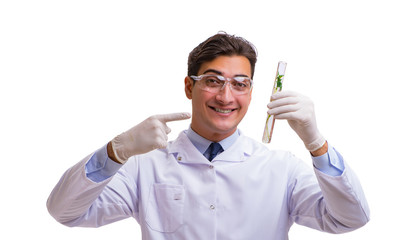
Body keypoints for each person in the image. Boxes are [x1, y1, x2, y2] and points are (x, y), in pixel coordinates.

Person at [47, 32, 370, 239]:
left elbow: (349, 219)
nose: (226, 97)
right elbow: (65, 212)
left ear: (251, 92)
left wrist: (317, 144)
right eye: (213, 81)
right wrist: (115, 152)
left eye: (240, 84)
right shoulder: (144, 166)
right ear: (190, 86)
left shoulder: (281, 168)